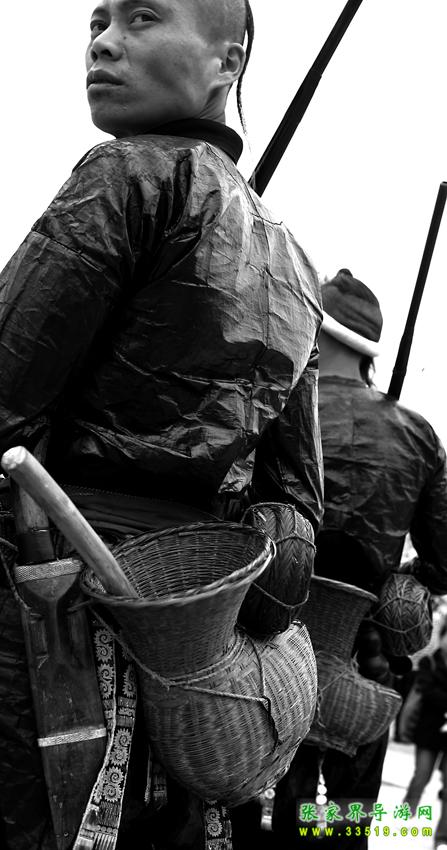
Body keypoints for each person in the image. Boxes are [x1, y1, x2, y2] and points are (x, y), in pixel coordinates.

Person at [0, 2, 323, 849]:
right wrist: (196, 609)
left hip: (44, 626)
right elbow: (294, 523)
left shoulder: (126, 176)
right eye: (97, 22)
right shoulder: (294, 262)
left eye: (142, 18)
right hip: (182, 665)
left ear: (227, 62)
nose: (105, 43)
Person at [242, 269, 447, 849]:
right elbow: (444, 562)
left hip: (265, 648)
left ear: (316, 329)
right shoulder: (418, 436)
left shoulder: (273, 404)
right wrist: (401, 579)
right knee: (345, 820)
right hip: (366, 659)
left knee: (267, 808)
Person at [404, 617, 447, 848]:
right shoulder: (429, 662)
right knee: (421, 775)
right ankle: (405, 816)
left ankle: (442, 837)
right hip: (429, 732)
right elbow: (427, 690)